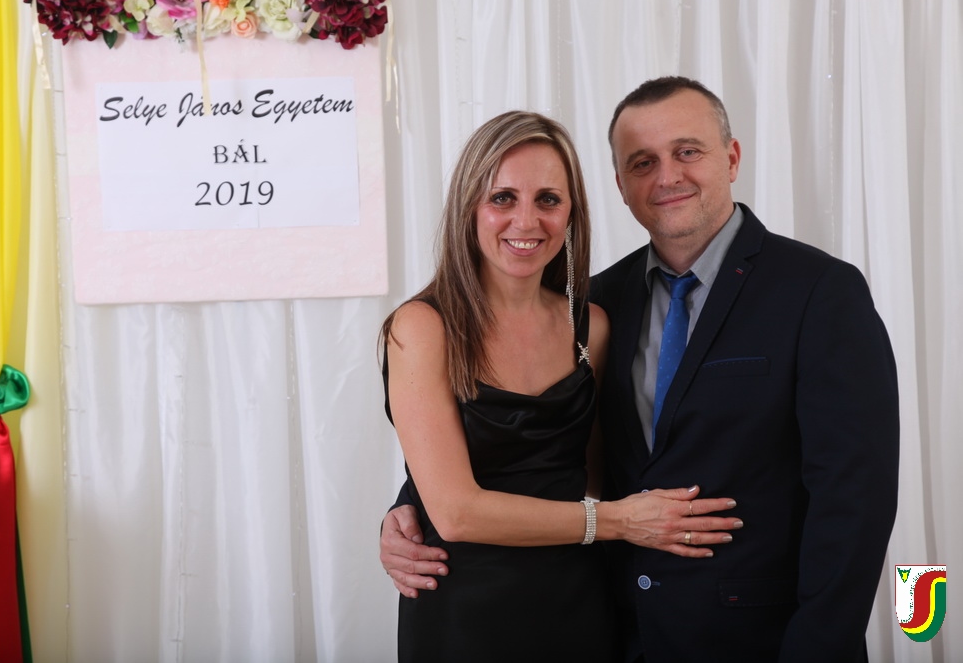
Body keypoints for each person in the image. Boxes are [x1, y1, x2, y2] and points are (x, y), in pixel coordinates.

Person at [381, 79, 900, 663]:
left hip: (756, 638)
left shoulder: (819, 292)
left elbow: (856, 497)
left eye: (688, 151)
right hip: (617, 627)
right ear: (620, 185)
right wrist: (407, 512)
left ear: (731, 158)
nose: (666, 176)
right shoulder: (600, 305)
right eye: (642, 162)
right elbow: (533, 444)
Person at [380, 110, 742, 662]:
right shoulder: (422, 327)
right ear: (468, 207)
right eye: (503, 198)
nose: (526, 221)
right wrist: (621, 522)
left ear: (572, 213)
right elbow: (455, 512)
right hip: (464, 612)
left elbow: (596, 473)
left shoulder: (590, 325)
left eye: (548, 199)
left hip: (580, 600)